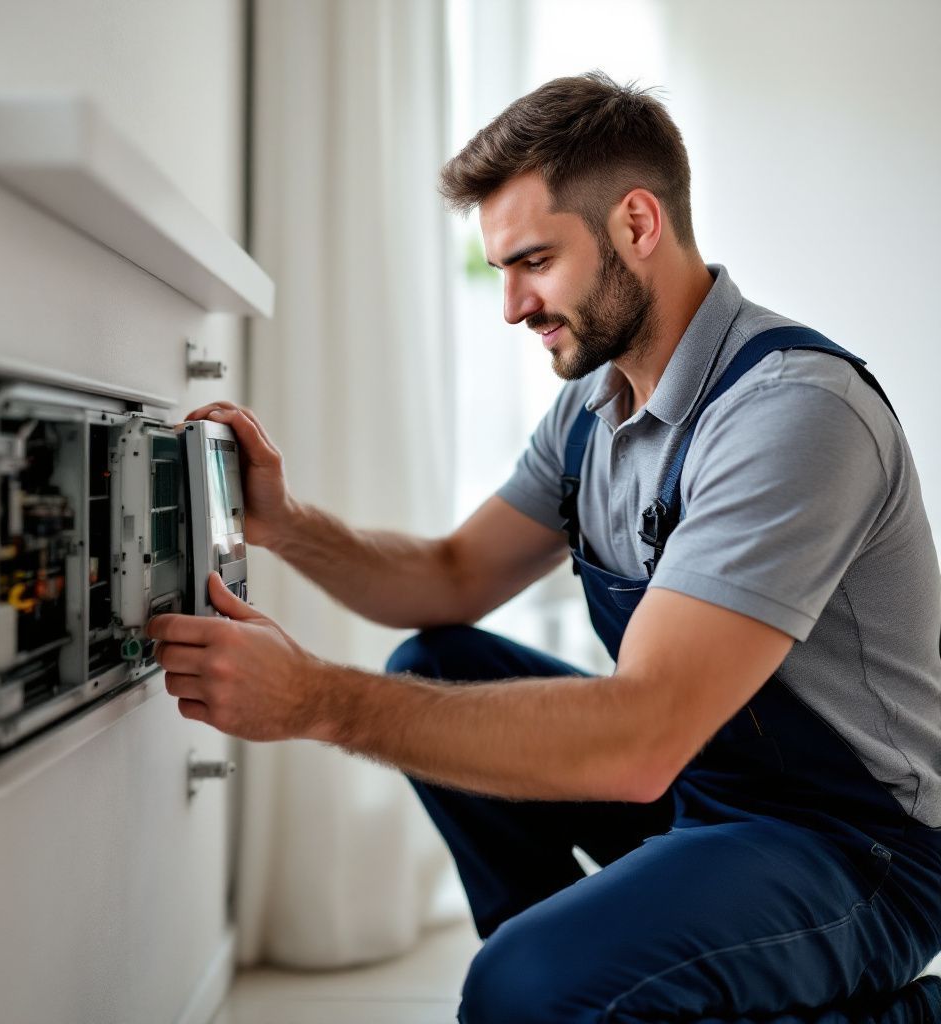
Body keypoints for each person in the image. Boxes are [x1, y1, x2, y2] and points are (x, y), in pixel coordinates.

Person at [147, 72, 941, 1023]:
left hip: (859, 847)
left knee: (516, 991)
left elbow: (642, 735)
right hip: (706, 791)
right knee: (438, 662)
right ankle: (594, 981)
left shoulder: (793, 413)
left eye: (533, 262)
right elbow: (449, 579)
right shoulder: (590, 411)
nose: (512, 306)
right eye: (500, 271)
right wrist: (284, 524)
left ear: (638, 225)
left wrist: (316, 698)